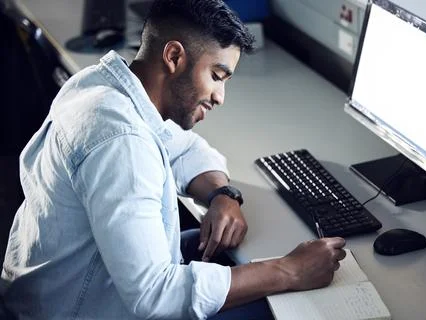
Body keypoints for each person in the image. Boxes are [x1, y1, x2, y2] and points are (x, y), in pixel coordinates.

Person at [0, 0, 346, 319]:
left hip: (64, 287)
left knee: (223, 254)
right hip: (77, 309)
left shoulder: (104, 88)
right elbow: (154, 295)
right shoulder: (122, 142)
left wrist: (223, 195)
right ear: (175, 57)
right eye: (216, 76)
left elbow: (184, 148)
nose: (220, 97)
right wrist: (289, 271)